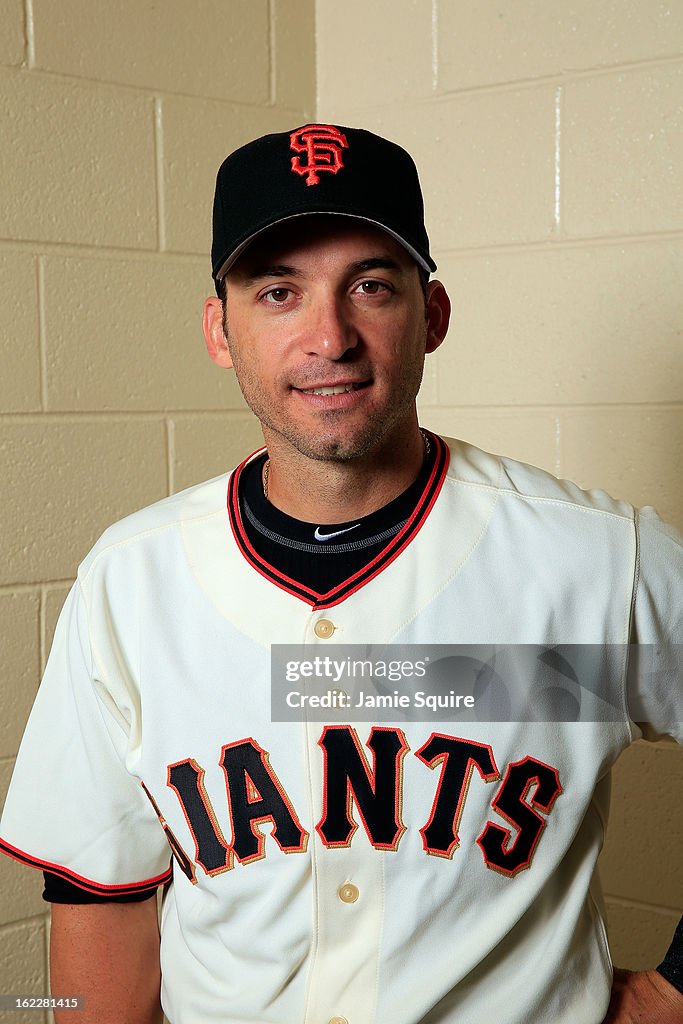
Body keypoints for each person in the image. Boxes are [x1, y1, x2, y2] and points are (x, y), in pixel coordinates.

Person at [1, 123, 681, 1024]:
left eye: (369, 286)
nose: (329, 336)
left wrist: (676, 990)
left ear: (431, 315)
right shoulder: (131, 583)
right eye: (278, 291)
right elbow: (102, 904)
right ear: (220, 329)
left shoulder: (591, 560)